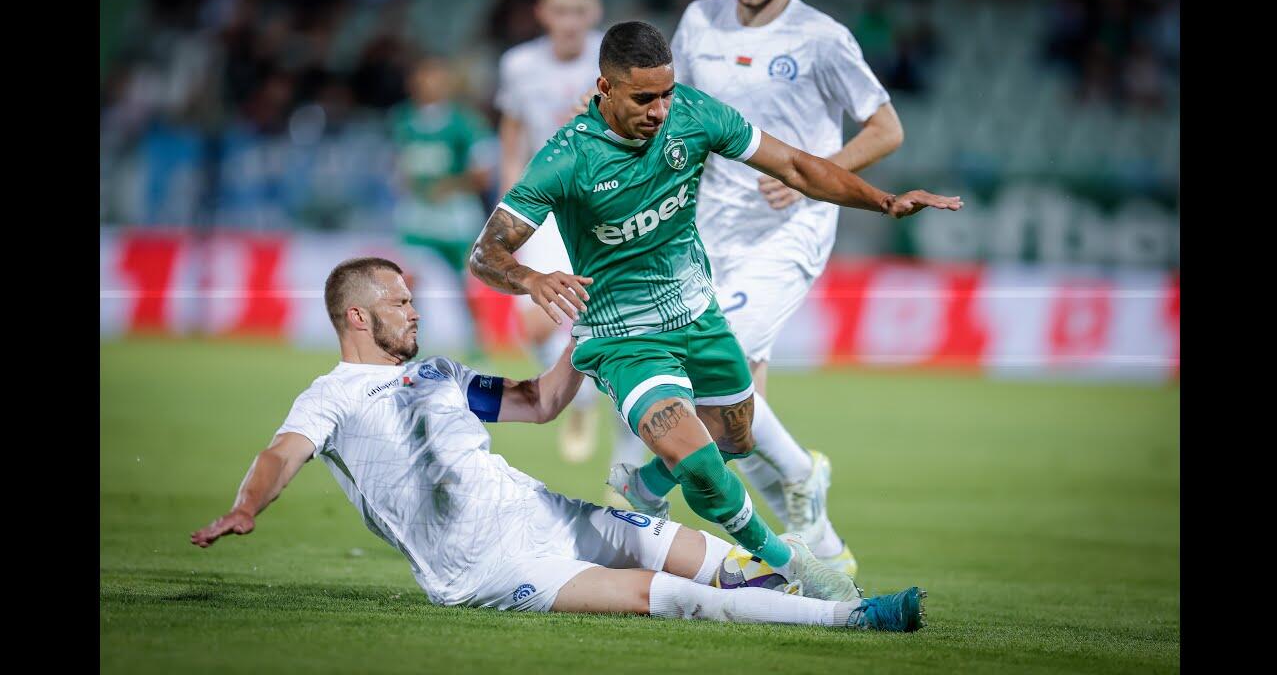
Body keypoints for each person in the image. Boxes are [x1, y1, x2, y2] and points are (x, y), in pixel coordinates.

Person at [468, 21, 960, 601]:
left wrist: (884, 201)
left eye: (666, 93)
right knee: (701, 462)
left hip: (698, 315)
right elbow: (486, 254)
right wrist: (530, 278)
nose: (659, 110)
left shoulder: (693, 115)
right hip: (623, 335)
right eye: (643, 98)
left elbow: (795, 166)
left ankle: (644, 486)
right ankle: (793, 568)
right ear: (604, 88)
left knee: (736, 438)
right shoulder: (567, 156)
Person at [189, 257, 925, 632]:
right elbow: (280, 454)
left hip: (542, 511)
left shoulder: (440, 373)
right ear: (357, 316)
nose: (414, 311)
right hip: (483, 564)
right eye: (400, 302)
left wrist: (588, 333)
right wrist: (248, 506)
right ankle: (853, 620)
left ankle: (824, 585)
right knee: (662, 596)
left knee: (715, 559)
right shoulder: (331, 395)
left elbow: (540, 402)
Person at [656, 0, 908, 577]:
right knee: (733, 419)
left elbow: (886, 129)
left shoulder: (821, 37)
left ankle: (803, 473)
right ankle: (821, 552)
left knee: (725, 366)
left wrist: (813, 174)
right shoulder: (700, 21)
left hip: (790, 228)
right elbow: (671, 111)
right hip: (709, 229)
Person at [495, 0, 644, 476]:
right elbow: (512, 135)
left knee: (621, 329)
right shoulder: (519, 65)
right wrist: (508, 205)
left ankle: (626, 462)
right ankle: (579, 399)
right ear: (542, 12)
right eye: (560, 11)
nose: (570, 22)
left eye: (579, 11)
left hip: (606, 207)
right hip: (544, 203)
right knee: (535, 322)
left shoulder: (618, 59)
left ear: (594, 11)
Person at [389, 54, 495, 356]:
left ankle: (477, 346)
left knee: (465, 284)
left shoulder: (464, 123)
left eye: (436, 76)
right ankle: (409, 345)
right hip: (418, 214)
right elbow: (400, 164)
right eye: (425, 76)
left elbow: (483, 174)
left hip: (454, 215)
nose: (430, 83)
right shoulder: (403, 120)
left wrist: (450, 186)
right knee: (407, 282)